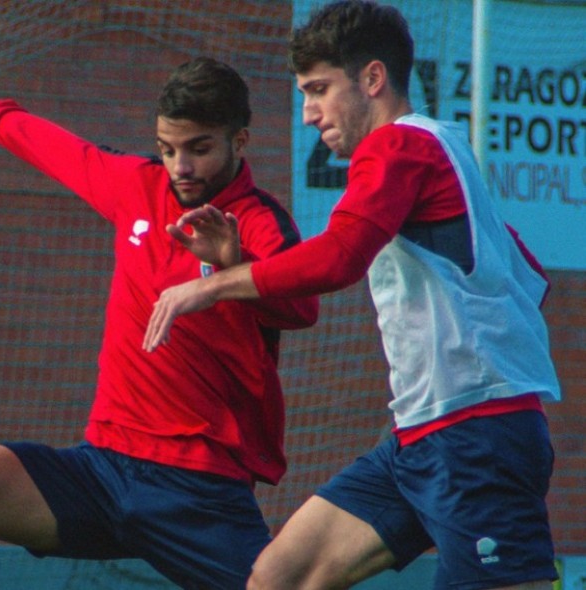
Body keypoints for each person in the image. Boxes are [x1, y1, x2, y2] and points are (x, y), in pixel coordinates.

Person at [143, 3, 561, 590]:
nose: (309, 113)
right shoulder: (445, 146)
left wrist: (212, 285)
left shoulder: (396, 148)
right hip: (421, 439)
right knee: (280, 577)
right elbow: (528, 278)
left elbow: (340, 256)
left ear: (372, 79)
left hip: (475, 440)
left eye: (319, 90)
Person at [0, 57, 318, 590]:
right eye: (168, 148)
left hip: (198, 489)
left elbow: (301, 308)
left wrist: (234, 263)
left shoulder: (258, 221)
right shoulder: (137, 186)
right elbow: (59, 149)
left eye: (199, 149)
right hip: (102, 471)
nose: (180, 166)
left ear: (240, 141)